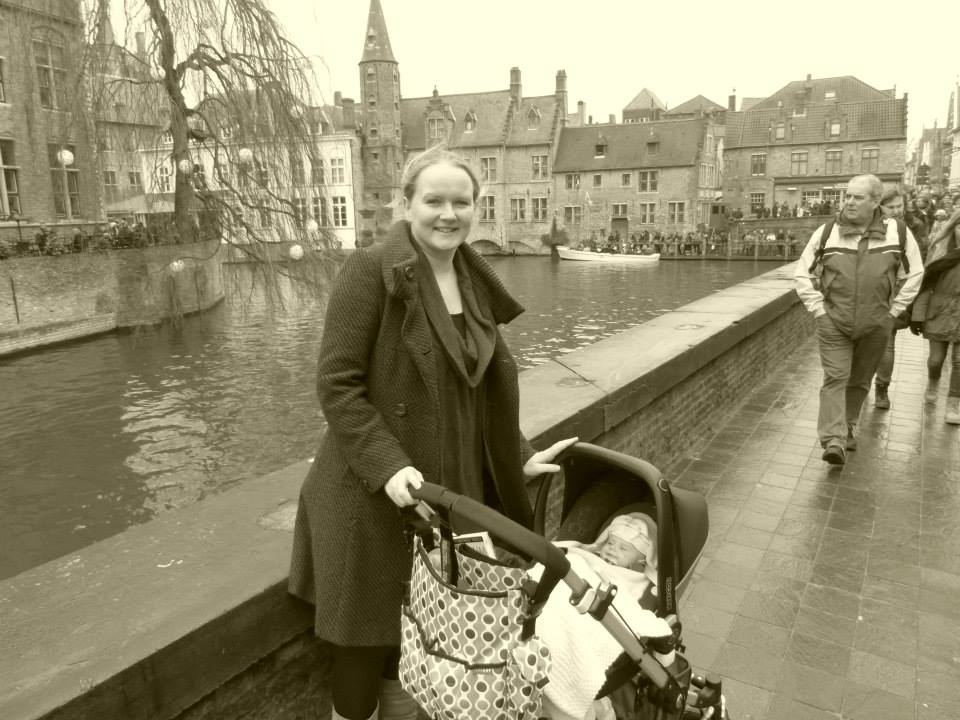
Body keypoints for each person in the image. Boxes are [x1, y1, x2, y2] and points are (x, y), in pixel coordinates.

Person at [287, 145, 576, 720]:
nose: (449, 214)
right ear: (406, 203)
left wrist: (517, 457)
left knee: (424, 635)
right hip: (372, 494)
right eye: (434, 200)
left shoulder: (471, 276)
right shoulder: (371, 270)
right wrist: (388, 466)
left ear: (477, 207)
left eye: (462, 202)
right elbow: (337, 385)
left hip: (449, 492)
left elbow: (477, 389)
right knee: (366, 643)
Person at [794, 174, 923, 466]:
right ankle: (834, 439)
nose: (849, 202)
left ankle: (849, 425)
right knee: (836, 377)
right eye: (847, 196)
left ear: (875, 201)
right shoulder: (828, 232)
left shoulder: (898, 234)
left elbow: (914, 274)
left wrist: (893, 312)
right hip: (834, 322)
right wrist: (819, 310)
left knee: (860, 379)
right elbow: (803, 273)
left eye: (857, 197)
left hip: (876, 323)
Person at [910, 208, 960, 423]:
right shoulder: (941, 251)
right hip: (939, 311)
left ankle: (954, 403)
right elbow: (925, 285)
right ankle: (933, 382)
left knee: (959, 362)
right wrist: (917, 315)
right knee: (935, 360)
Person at [873, 187, 909, 409]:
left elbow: (910, 272)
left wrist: (899, 304)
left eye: (899, 206)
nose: (896, 211)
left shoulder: (905, 230)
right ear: (880, 207)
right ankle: (862, 386)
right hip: (867, 298)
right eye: (891, 207)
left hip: (889, 299)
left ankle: (882, 388)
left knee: (887, 346)